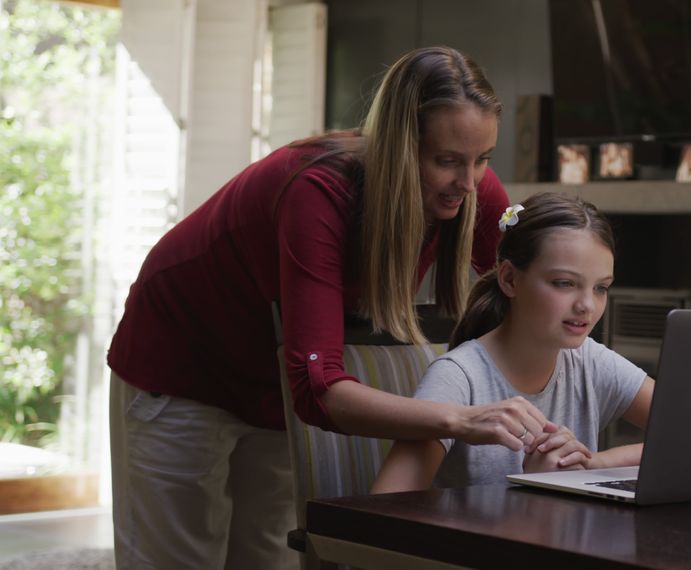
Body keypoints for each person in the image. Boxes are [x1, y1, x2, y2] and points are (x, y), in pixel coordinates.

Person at [107, 46, 558, 570]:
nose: (471, 181)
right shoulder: (318, 191)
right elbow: (318, 389)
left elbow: (532, 259)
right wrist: (458, 418)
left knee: (266, 558)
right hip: (182, 363)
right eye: (447, 161)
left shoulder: (468, 182)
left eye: (483, 159)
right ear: (399, 147)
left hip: (269, 376)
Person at [371, 192, 656, 493]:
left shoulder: (591, 361)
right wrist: (533, 488)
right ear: (509, 279)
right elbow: (384, 508)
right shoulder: (458, 378)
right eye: (564, 283)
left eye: (601, 288)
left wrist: (592, 463)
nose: (587, 305)